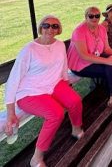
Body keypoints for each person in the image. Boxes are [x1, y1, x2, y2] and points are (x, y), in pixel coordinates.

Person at [5, 15, 83, 167]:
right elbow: (13, 80)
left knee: (75, 100)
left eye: (54, 26)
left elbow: (63, 66)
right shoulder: (29, 49)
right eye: (46, 25)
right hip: (30, 92)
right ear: (41, 27)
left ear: (58, 30)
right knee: (56, 114)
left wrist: (66, 84)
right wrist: (10, 112)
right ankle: (36, 159)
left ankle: (76, 129)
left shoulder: (60, 44)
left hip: (54, 84)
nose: (50, 29)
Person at [67, 6, 112, 105]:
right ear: (86, 17)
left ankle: (111, 95)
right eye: (91, 16)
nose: (94, 18)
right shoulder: (79, 31)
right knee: (110, 67)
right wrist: (108, 61)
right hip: (80, 64)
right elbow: (84, 56)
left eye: (97, 16)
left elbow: (106, 48)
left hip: (95, 58)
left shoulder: (102, 29)